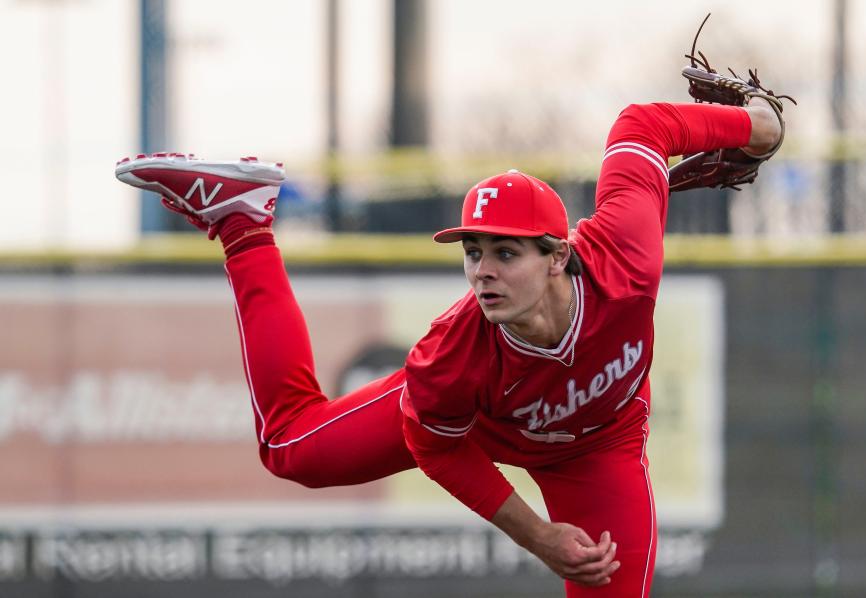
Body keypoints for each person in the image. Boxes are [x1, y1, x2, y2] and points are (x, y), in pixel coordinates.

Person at [116, 96, 783, 596]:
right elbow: (436, 444)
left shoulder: (625, 260)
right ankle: (243, 221)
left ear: (557, 257)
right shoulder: (453, 349)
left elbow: (643, 124)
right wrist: (538, 535)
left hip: (597, 447)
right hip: (482, 425)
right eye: (472, 252)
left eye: (505, 252)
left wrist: (755, 126)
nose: (482, 271)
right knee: (291, 448)